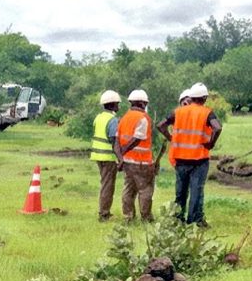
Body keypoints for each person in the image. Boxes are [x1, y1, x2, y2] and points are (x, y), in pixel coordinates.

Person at [157, 83, 222, 227]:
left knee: (180, 192)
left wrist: (171, 138)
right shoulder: (207, 112)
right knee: (196, 191)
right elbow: (217, 128)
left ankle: (177, 220)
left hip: (180, 159)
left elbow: (160, 125)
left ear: (191, 97)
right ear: (204, 98)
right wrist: (211, 144)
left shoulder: (178, 112)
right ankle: (195, 221)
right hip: (199, 160)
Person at [115, 89, 155, 223]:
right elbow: (137, 139)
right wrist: (125, 151)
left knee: (128, 190)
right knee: (145, 190)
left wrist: (121, 158)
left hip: (127, 162)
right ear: (143, 103)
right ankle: (146, 217)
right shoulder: (143, 118)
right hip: (142, 162)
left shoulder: (123, 118)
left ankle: (128, 217)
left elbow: (116, 141)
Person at [90, 90, 121, 221]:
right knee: (108, 186)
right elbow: (114, 141)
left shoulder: (99, 117)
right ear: (113, 104)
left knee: (104, 183)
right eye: (117, 104)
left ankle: (104, 211)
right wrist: (121, 159)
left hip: (97, 155)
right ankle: (104, 213)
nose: (119, 106)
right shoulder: (112, 120)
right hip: (108, 157)